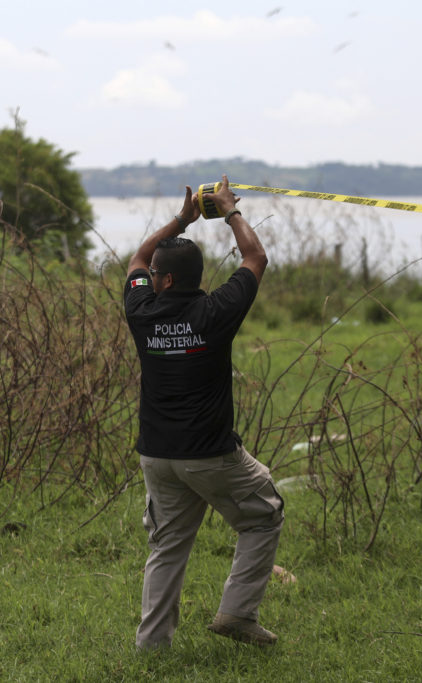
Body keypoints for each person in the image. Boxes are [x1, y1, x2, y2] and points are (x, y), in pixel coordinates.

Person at [123, 175, 284, 650]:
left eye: (155, 274)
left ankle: (151, 646)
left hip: (157, 455)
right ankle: (237, 613)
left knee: (167, 546)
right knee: (264, 514)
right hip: (210, 455)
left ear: (164, 280)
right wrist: (231, 211)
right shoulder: (215, 312)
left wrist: (182, 219)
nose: (149, 275)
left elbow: (136, 258)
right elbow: (255, 258)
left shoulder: (142, 311)